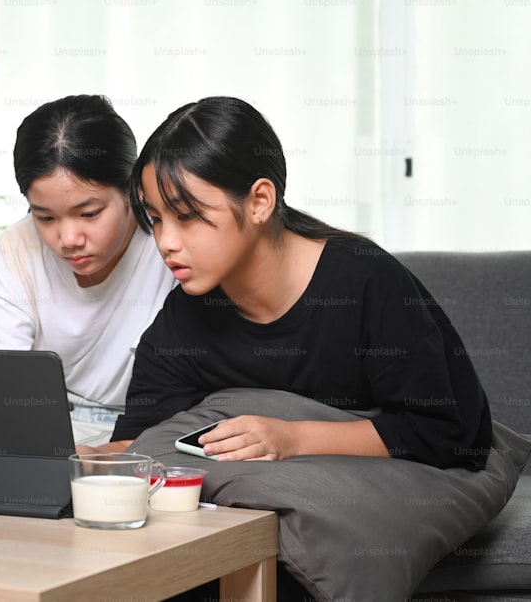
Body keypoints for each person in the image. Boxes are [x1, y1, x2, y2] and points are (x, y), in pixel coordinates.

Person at [97, 96, 492, 473]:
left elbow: (450, 432)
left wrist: (293, 437)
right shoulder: (185, 316)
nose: (166, 242)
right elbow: (144, 441)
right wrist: (82, 458)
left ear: (259, 202)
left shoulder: (364, 280)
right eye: (157, 218)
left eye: (186, 216)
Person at [0, 95, 177, 447]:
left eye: (90, 213)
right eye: (45, 217)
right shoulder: (17, 247)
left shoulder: (169, 244)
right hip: (46, 426)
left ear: (133, 191)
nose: (68, 239)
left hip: (149, 430)